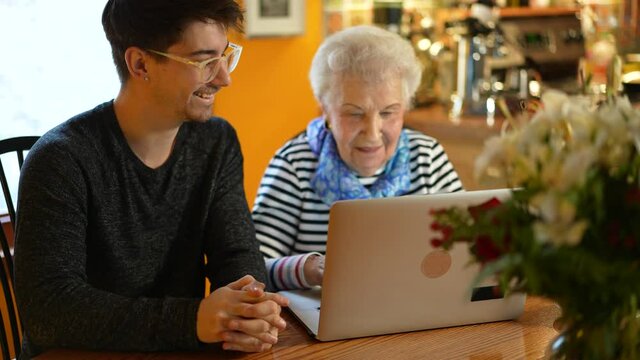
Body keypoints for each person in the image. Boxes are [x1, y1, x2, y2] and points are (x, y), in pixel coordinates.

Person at [13, 0, 288, 358]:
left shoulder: (216, 142)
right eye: (205, 61)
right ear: (141, 64)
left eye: (226, 55)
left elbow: (236, 253)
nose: (224, 78)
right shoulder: (61, 158)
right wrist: (191, 321)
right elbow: (50, 312)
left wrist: (248, 305)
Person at [252, 25, 463, 291]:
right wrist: (309, 269)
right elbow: (252, 271)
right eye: (354, 113)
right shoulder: (294, 164)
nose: (373, 133)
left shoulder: (427, 157)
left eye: (388, 113)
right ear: (325, 110)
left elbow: (468, 250)